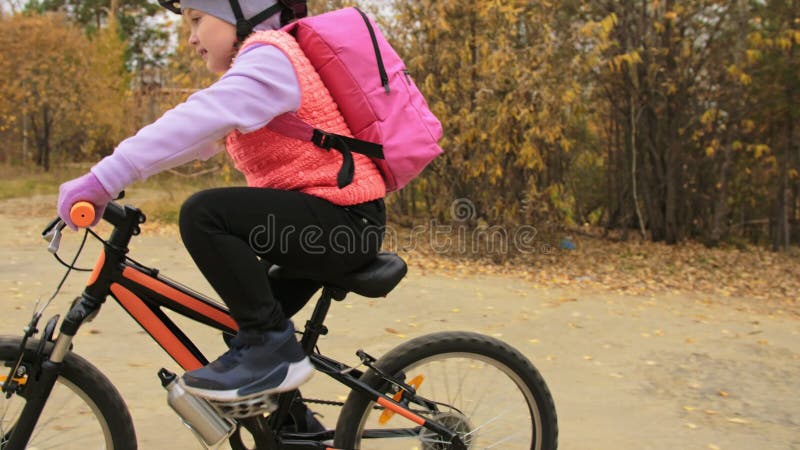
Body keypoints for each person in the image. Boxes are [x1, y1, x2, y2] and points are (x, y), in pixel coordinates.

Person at [56, 0, 386, 406]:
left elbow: (197, 118)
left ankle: (273, 351)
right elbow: (193, 139)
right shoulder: (256, 69)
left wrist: (102, 178)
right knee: (244, 328)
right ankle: (292, 427)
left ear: (243, 15)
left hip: (343, 225)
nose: (191, 37)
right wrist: (106, 185)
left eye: (197, 19)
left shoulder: (270, 58)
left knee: (203, 214)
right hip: (328, 224)